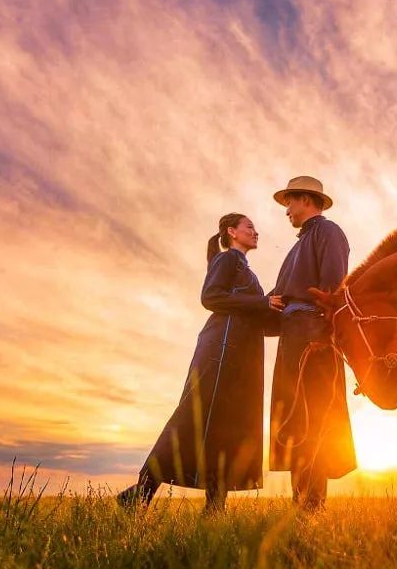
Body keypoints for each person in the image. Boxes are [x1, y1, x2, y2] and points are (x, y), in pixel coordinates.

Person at [117, 213, 279, 512]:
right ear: (232, 232)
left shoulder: (245, 269)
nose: (256, 232)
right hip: (218, 352)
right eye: (249, 227)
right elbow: (210, 297)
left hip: (238, 358)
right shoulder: (227, 260)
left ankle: (214, 509)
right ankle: (139, 493)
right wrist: (262, 303)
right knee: (190, 419)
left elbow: (255, 318)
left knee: (226, 429)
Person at [267, 176, 356, 509]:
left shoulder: (328, 231)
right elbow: (277, 299)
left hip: (314, 335)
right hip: (292, 337)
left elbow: (334, 286)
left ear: (305, 199)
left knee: (316, 414)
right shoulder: (296, 245)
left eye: (289, 202)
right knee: (293, 416)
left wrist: (323, 333)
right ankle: (300, 501)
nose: (286, 210)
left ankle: (312, 504)